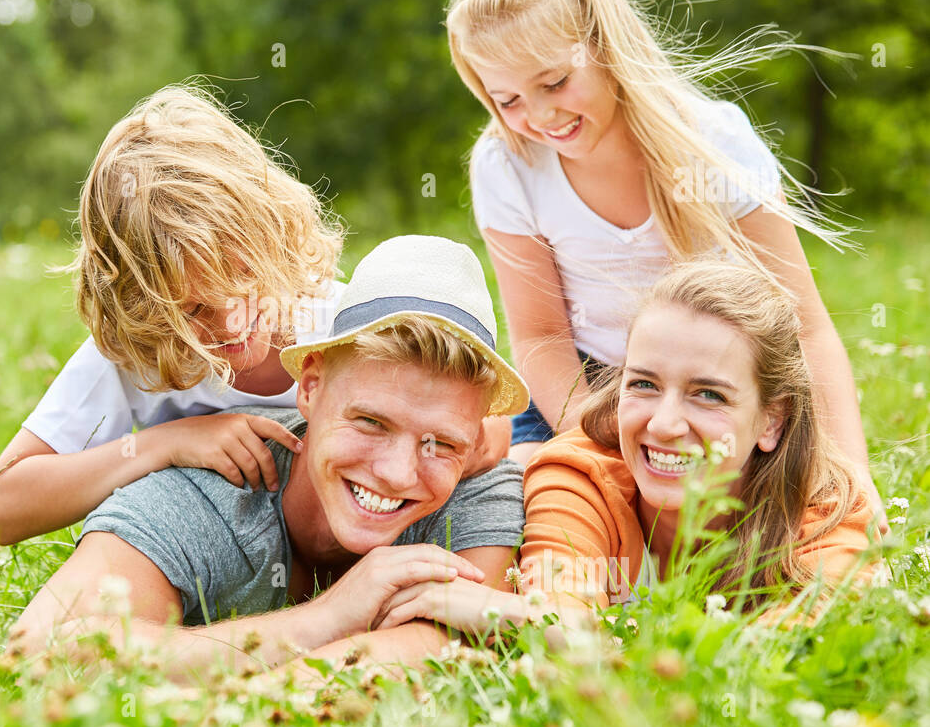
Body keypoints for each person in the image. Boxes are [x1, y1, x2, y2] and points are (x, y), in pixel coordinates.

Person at [444, 0, 884, 528]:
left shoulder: (711, 140)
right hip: (584, 395)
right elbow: (542, 337)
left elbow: (804, 326)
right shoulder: (506, 165)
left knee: (774, 526)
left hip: (716, 388)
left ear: (603, 46)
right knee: (508, 506)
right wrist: (607, 449)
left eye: (555, 82)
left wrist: (849, 474)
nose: (539, 116)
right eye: (508, 100)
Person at [8, 236, 531, 678]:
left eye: (441, 443)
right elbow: (40, 649)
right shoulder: (206, 495)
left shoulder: (477, 490)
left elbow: (453, 641)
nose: (397, 473)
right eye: (371, 423)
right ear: (308, 389)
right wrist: (326, 618)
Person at [376, 261, 884, 636]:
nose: (663, 425)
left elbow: (786, 651)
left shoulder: (826, 515)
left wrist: (501, 614)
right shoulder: (577, 475)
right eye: (643, 385)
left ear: (771, 420)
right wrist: (560, 629)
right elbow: (563, 622)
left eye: (708, 394)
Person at [0, 84, 346, 547]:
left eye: (242, 276)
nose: (231, 322)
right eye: (192, 309)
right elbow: (2, 508)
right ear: (138, 307)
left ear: (272, 230)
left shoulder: (344, 322)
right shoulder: (142, 347)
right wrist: (167, 443)